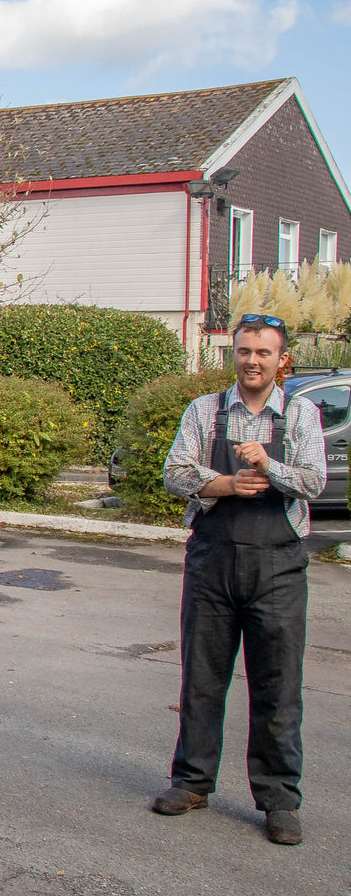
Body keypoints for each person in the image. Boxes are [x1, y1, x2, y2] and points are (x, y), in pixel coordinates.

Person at [157, 314, 325, 845]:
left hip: (278, 567)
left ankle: (278, 800)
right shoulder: (204, 411)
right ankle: (192, 781)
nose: (252, 361)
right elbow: (175, 473)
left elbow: (314, 481)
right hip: (212, 561)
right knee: (202, 679)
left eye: (264, 353)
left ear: (282, 360)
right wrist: (227, 482)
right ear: (234, 354)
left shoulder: (300, 415)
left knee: (278, 686)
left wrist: (268, 465)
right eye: (244, 351)